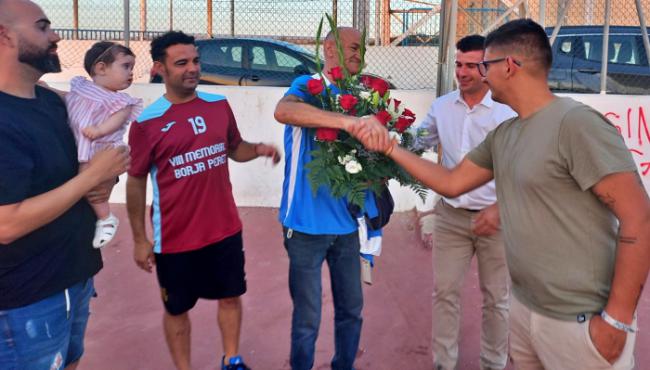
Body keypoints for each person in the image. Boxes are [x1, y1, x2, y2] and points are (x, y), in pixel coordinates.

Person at [377, 19, 650, 370]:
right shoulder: (506, 134)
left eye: (485, 65)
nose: (480, 74)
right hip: (525, 314)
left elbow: (639, 218)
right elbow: (450, 182)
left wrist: (617, 320)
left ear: (509, 65)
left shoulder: (576, 124)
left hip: (580, 322)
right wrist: (388, 147)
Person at [126, 31, 280, 370]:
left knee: (230, 296)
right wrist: (139, 239)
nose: (192, 68)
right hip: (176, 238)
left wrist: (256, 150)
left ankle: (232, 359)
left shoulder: (218, 106)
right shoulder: (146, 124)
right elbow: (135, 181)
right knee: (177, 309)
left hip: (224, 229)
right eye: (181, 63)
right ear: (159, 69)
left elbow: (233, 148)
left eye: (195, 61)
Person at [0, 0, 130, 369]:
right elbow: (6, 224)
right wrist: (90, 176)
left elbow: (74, 173)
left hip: (73, 278)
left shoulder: (51, 103)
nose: (55, 36)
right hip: (25, 301)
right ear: (4, 35)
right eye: (42, 27)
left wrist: (104, 177)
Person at [273, 27, 389, 370]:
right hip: (305, 227)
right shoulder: (308, 87)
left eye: (362, 48)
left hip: (349, 228)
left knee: (352, 311)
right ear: (329, 48)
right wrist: (349, 123)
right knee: (308, 317)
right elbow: (284, 111)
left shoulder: (365, 97)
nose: (358, 54)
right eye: (351, 47)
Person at [412, 34, 515, 370]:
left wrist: (501, 210)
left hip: (496, 220)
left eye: (471, 65)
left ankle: (494, 364)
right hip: (451, 217)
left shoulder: (506, 112)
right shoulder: (442, 107)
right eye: (458, 64)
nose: (462, 72)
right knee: (444, 294)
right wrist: (386, 138)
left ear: (487, 68)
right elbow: (418, 142)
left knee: (496, 300)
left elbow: (521, 168)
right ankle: (444, 363)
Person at [66, 41, 143, 248]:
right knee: (85, 182)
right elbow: (68, 98)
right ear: (101, 68)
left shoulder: (120, 101)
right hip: (84, 143)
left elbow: (118, 119)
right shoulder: (81, 87)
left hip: (100, 146)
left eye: (132, 67)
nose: (131, 72)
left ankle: (105, 218)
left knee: (88, 181)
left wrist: (100, 130)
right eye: (126, 66)